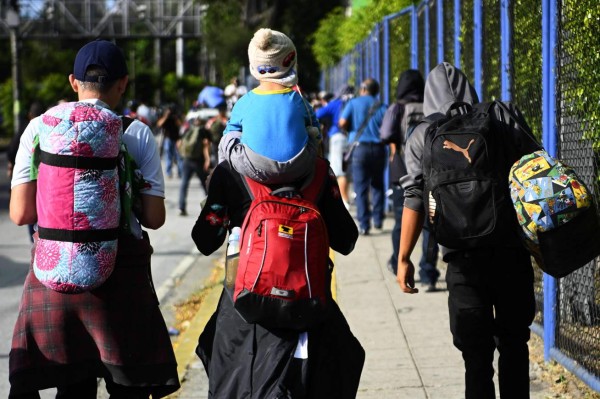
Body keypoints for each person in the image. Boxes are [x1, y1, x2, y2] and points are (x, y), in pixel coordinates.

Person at [8, 39, 179, 398]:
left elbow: (21, 213)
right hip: (121, 276)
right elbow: (155, 218)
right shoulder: (136, 132)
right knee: (129, 387)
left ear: (73, 82)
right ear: (123, 83)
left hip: (53, 280)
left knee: (72, 389)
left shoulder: (39, 128)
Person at [397, 62, 541, 398]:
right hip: (511, 253)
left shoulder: (422, 134)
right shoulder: (502, 116)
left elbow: (414, 198)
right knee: (514, 345)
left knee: (475, 357)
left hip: (462, 260)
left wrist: (404, 258)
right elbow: (537, 171)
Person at [191, 158, 364, 398]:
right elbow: (346, 240)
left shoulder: (230, 171)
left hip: (242, 315)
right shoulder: (320, 170)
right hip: (308, 313)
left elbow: (205, 241)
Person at [218, 27, 321, 185]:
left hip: (255, 169)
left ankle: (222, 186)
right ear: (290, 60)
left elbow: (230, 133)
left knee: (228, 138)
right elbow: (317, 132)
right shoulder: (299, 101)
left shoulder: (245, 101)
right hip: (298, 169)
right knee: (312, 132)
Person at [379, 69, 440, 292]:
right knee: (430, 226)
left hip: (402, 172)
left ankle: (400, 263)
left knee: (401, 220)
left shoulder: (398, 107)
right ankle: (428, 273)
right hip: (430, 174)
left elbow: (385, 134)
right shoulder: (430, 109)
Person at [338, 78, 387, 235]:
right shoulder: (382, 106)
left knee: (361, 187)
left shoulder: (353, 103)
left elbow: (342, 122)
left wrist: (350, 130)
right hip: (379, 148)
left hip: (360, 149)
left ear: (364, 88)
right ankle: (378, 219)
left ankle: (364, 224)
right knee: (378, 184)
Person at [6, 101, 44, 243]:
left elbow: (20, 214)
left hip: (26, 181)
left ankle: (32, 237)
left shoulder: (29, 128)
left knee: (29, 212)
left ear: (30, 115)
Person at [316, 84, 354, 209]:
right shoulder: (354, 101)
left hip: (338, 137)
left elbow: (318, 114)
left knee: (339, 171)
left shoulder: (336, 103)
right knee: (347, 170)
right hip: (353, 139)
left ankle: (344, 200)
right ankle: (347, 196)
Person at [177, 117, 211, 216]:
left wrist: (182, 155)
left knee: (184, 183)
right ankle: (210, 206)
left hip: (187, 160)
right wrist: (207, 159)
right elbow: (206, 145)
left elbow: (179, 143)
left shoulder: (188, 129)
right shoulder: (203, 131)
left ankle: (181, 207)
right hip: (199, 161)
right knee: (206, 184)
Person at [157, 104, 183, 178]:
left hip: (177, 139)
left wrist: (175, 118)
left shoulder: (176, 117)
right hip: (168, 138)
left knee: (178, 156)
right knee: (168, 156)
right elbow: (159, 124)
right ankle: (169, 173)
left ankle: (180, 173)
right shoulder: (165, 117)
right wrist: (166, 116)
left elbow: (180, 124)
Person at [205, 102, 228, 168]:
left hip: (214, 142)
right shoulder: (226, 120)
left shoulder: (213, 120)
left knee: (216, 157)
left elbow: (207, 128)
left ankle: (217, 169)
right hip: (223, 142)